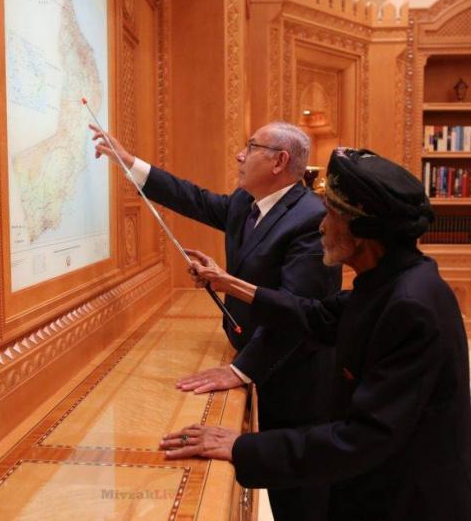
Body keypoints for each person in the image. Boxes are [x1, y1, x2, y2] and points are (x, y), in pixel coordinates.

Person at [161, 147, 471, 521]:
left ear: (362, 231)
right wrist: (229, 283)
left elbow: (364, 438)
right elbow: (319, 316)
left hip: (406, 502)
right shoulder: (391, 280)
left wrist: (244, 447)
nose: (322, 226)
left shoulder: (409, 306)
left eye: (331, 214)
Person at [91, 122, 341, 521]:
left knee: (298, 491)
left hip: (297, 377)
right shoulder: (245, 202)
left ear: (279, 161)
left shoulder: (310, 219)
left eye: (251, 147)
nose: (240, 155)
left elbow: (298, 312)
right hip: (258, 354)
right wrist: (130, 162)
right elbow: (194, 199)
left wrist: (239, 370)